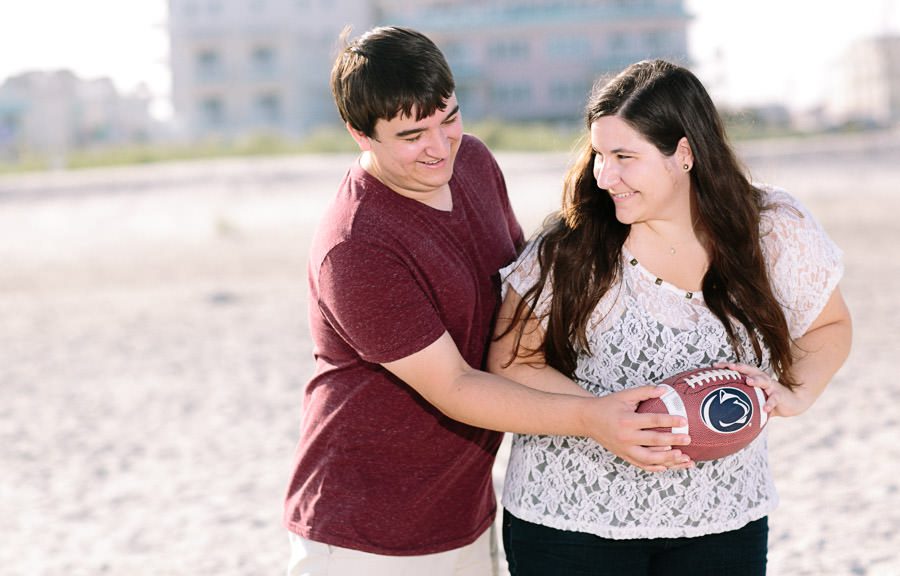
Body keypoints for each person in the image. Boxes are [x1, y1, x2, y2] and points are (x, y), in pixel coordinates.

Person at [283, 29, 696, 576]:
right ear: (360, 134)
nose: (440, 146)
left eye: (448, 118)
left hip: (465, 513)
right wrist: (592, 417)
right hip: (361, 535)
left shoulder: (473, 160)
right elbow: (454, 385)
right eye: (412, 135)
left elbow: (525, 297)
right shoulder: (356, 246)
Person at [488, 59, 852, 576]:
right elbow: (510, 363)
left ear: (684, 153)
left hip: (723, 517)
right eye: (599, 155)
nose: (604, 175)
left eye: (624, 157)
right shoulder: (572, 247)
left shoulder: (771, 228)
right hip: (571, 522)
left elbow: (828, 326)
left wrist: (798, 391)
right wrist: (602, 418)